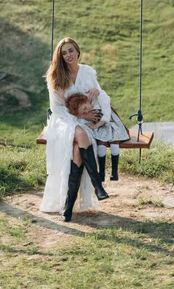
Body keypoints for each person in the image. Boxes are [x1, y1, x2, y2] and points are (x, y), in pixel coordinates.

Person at [41, 37, 121, 222]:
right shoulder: (55, 77)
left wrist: (96, 93)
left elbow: (98, 100)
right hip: (63, 121)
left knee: (77, 151)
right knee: (80, 133)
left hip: (86, 121)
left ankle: (67, 208)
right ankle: (97, 185)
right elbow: (57, 111)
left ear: (77, 52)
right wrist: (65, 102)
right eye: (64, 52)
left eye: (71, 50)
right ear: (60, 57)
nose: (68, 55)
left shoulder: (88, 72)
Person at [65, 92, 128, 182]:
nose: (87, 111)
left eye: (85, 108)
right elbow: (76, 115)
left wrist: (95, 126)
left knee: (114, 142)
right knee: (101, 144)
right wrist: (85, 116)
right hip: (101, 127)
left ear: (86, 100)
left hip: (110, 123)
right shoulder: (86, 107)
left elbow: (106, 116)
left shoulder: (100, 98)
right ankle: (101, 173)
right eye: (84, 112)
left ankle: (114, 172)